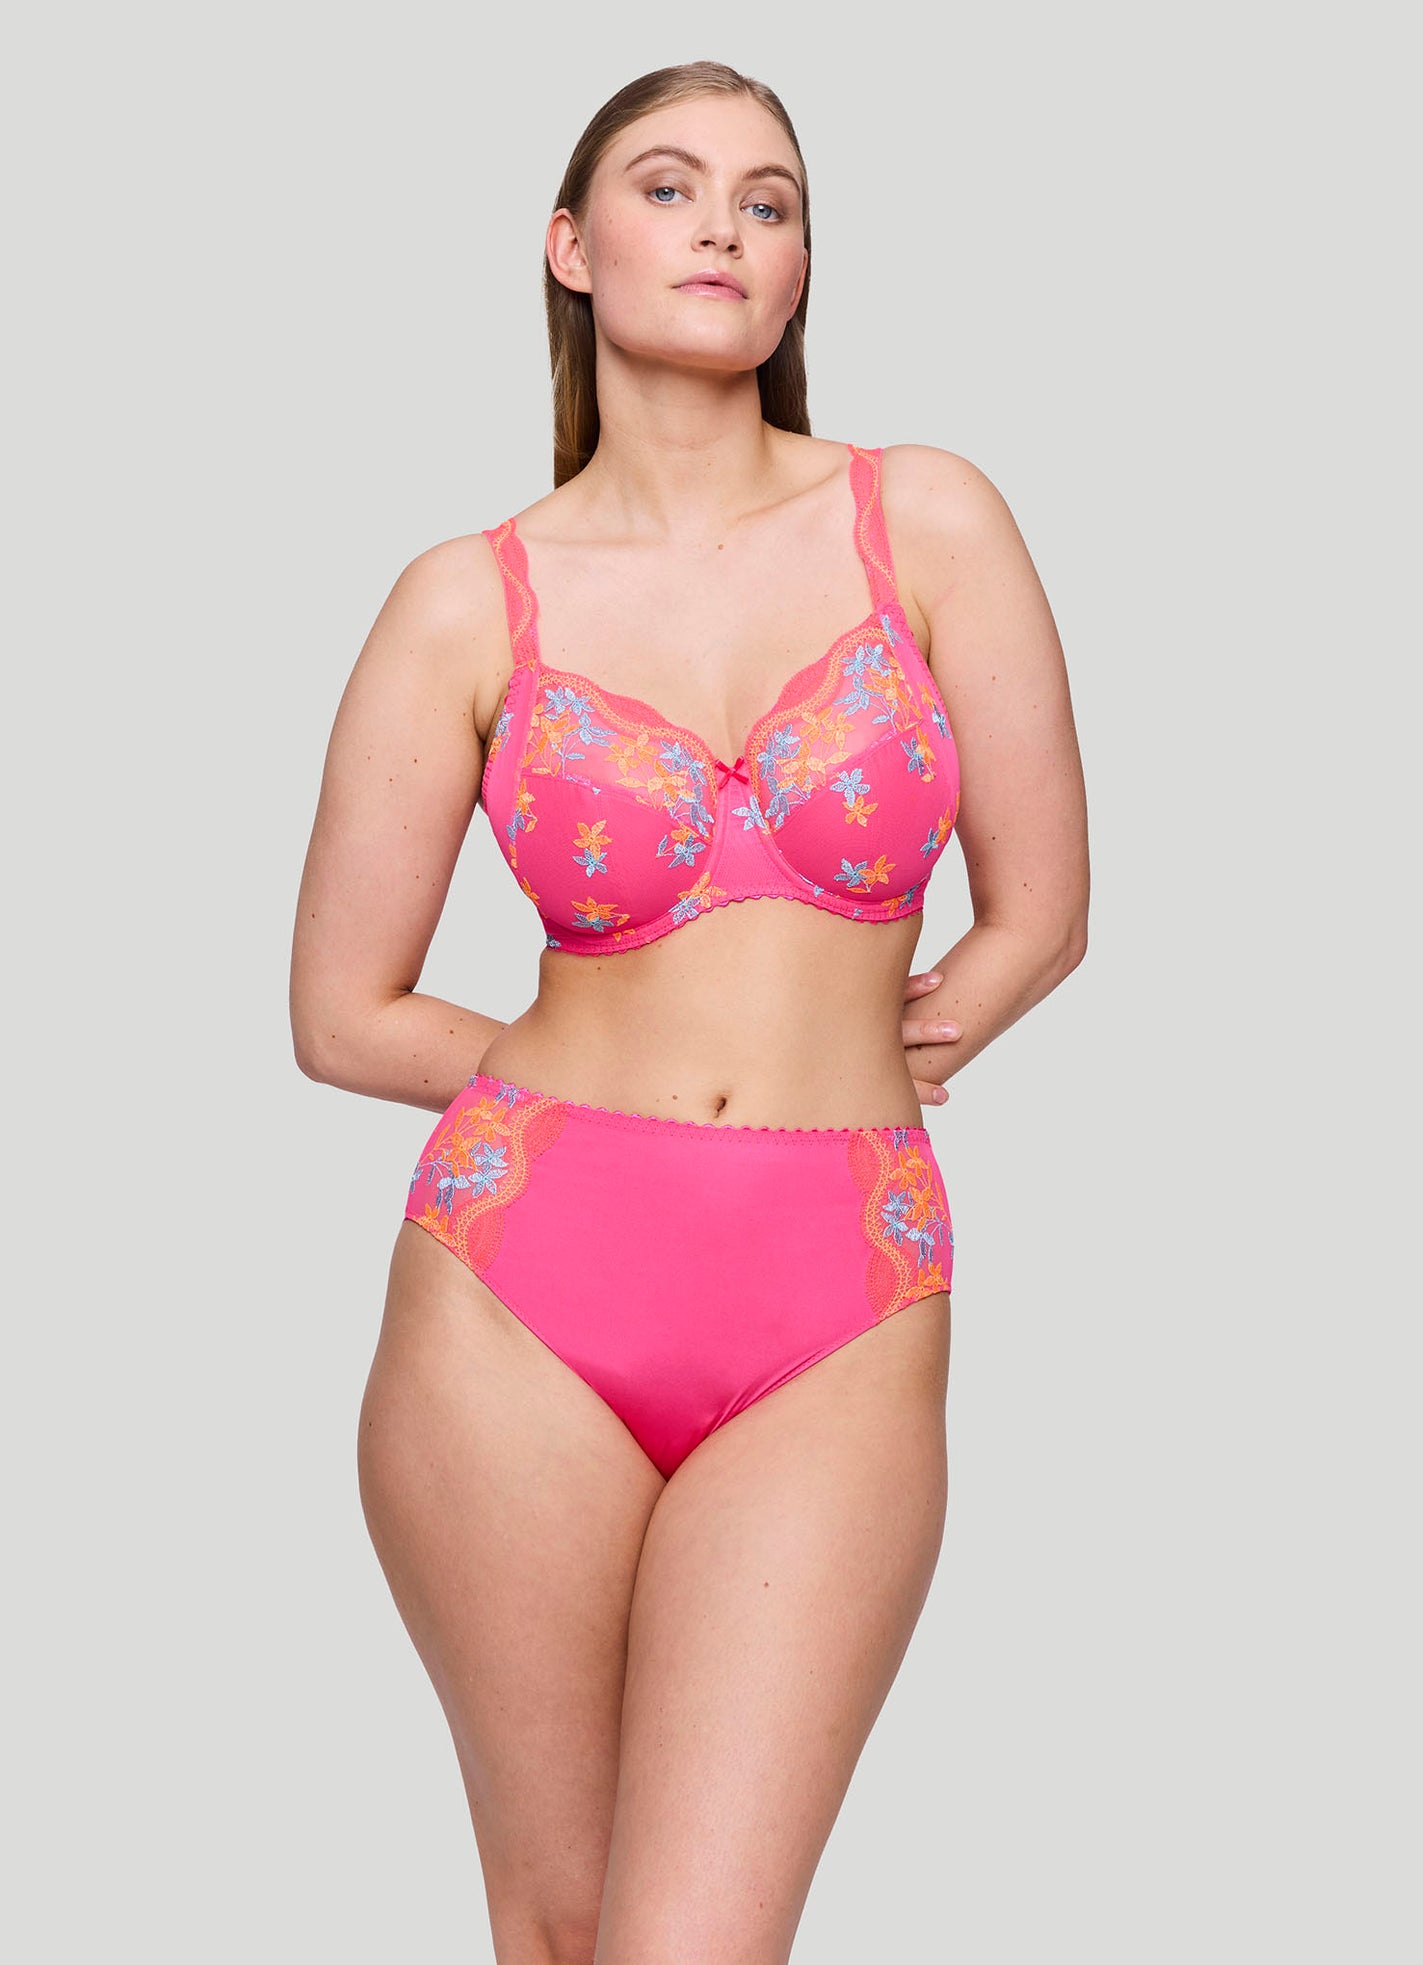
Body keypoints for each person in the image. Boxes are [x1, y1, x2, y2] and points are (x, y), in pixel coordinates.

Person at [290, 57, 1088, 1965]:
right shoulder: (464, 601)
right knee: (563, 1929)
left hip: (840, 1281)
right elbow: (339, 1009)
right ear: (570, 248)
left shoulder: (926, 519)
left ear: (800, 270)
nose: (723, 225)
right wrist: (590, 1083)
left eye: (767, 199)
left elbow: (1043, 907)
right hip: (519, 1290)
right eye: (667, 187)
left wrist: (905, 1036)